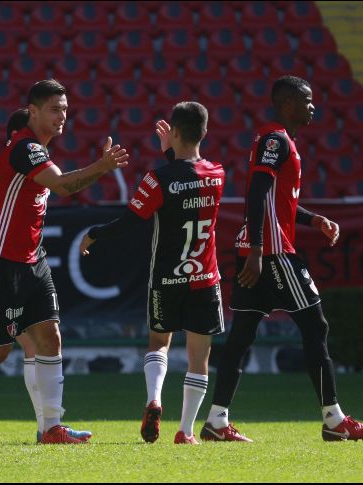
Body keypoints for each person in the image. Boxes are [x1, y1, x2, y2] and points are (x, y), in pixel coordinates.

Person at [0, 79, 129, 445]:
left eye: (65, 109)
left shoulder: (33, 154)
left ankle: (51, 427)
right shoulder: (25, 149)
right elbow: (64, 186)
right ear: (32, 112)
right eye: (54, 109)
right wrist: (101, 165)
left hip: (33, 261)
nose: (62, 116)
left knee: (50, 337)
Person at [199, 75, 363, 442]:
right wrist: (256, 250)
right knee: (316, 328)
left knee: (241, 338)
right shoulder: (275, 140)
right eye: (307, 100)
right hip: (273, 252)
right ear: (286, 103)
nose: (313, 106)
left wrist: (313, 219)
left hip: (262, 249)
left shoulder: (281, 142)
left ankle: (216, 421)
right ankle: (334, 420)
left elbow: (276, 202)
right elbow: (256, 193)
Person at [80, 102, 226, 445]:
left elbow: (131, 222)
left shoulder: (158, 178)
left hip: (167, 278)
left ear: (174, 133)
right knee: (199, 356)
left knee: (158, 344)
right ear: (204, 133)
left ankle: (154, 399)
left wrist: (95, 232)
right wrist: (174, 155)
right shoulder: (218, 174)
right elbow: (190, 175)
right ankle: (186, 431)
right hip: (204, 278)